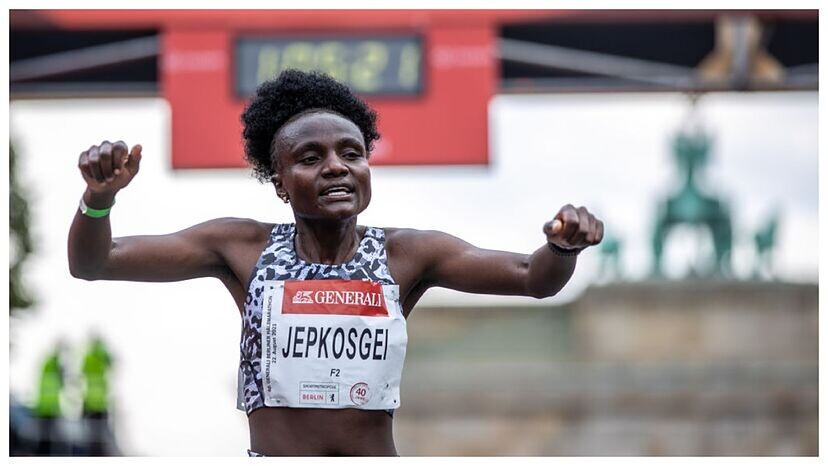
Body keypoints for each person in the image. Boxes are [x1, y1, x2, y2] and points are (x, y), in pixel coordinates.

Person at [68, 69, 604, 456]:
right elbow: (96, 262)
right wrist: (98, 199)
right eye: (310, 158)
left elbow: (533, 278)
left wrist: (563, 248)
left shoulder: (405, 254)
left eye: (352, 153)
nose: (336, 167)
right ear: (280, 183)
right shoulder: (243, 248)